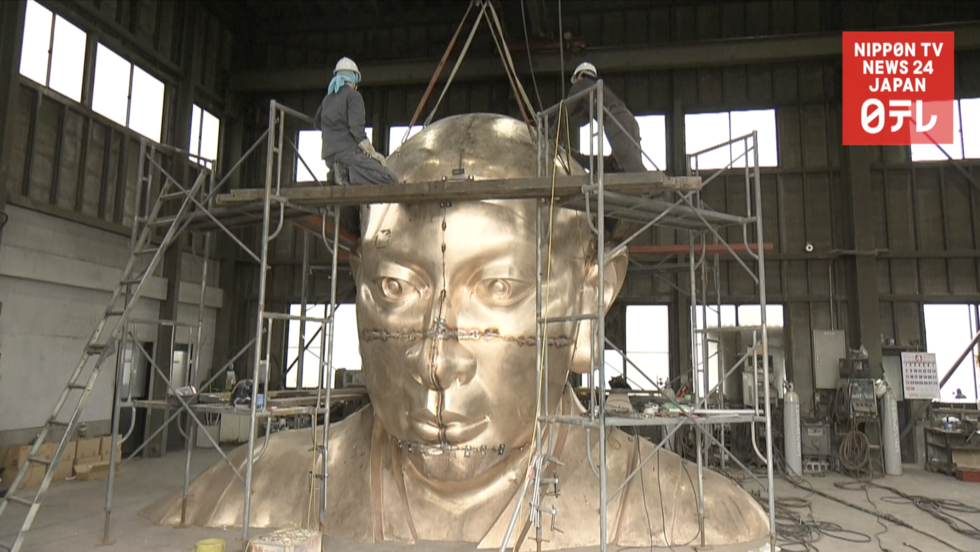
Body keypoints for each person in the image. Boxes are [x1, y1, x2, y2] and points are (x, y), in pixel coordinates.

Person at [142, 114, 769, 549]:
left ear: (590, 292)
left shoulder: (690, 509)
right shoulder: (247, 490)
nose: (437, 364)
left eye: (499, 287)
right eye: (395, 289)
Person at [314, 56, 398, 187]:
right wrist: (373, 154)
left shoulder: (327, 99)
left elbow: (317, 123)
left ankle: (340, 172)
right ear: (354, 79)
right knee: (389, 178)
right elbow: (357, 131)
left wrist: (334, 130)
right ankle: (345, 173)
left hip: (329, 158)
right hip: (348, 155)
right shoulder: (353, 96)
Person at [566, 62, 646, 173]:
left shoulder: (582, 84)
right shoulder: (598, 99)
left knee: (631, 167)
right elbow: (578, 120)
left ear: (579, 77)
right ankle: (650, 186)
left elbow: (566, 109)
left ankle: (655, 188)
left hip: (615, 120)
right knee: (622, 164)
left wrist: (553, 130)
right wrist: (571, 153)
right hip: (628, 119)